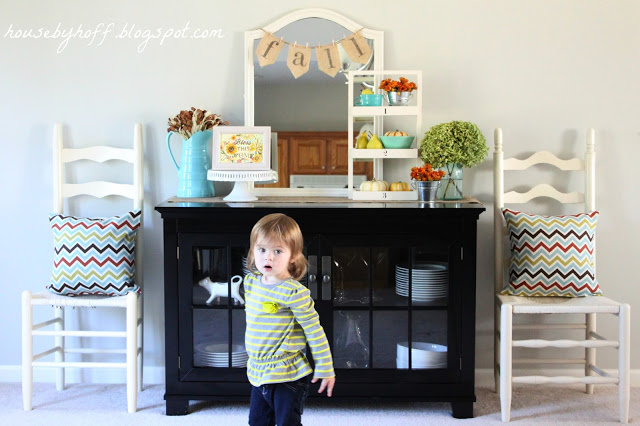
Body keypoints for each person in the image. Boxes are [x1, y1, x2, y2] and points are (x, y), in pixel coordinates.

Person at [244, 213, 335, 426]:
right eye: (262, 250)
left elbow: (314, 330)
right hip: (258, 372)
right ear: (253, 250)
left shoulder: (294, 293)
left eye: (278, 251)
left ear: (292, 255)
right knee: (256, 422)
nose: (268, 257)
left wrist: (325, 365)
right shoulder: (251, 283)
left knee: (287, 423)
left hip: (288, 375)